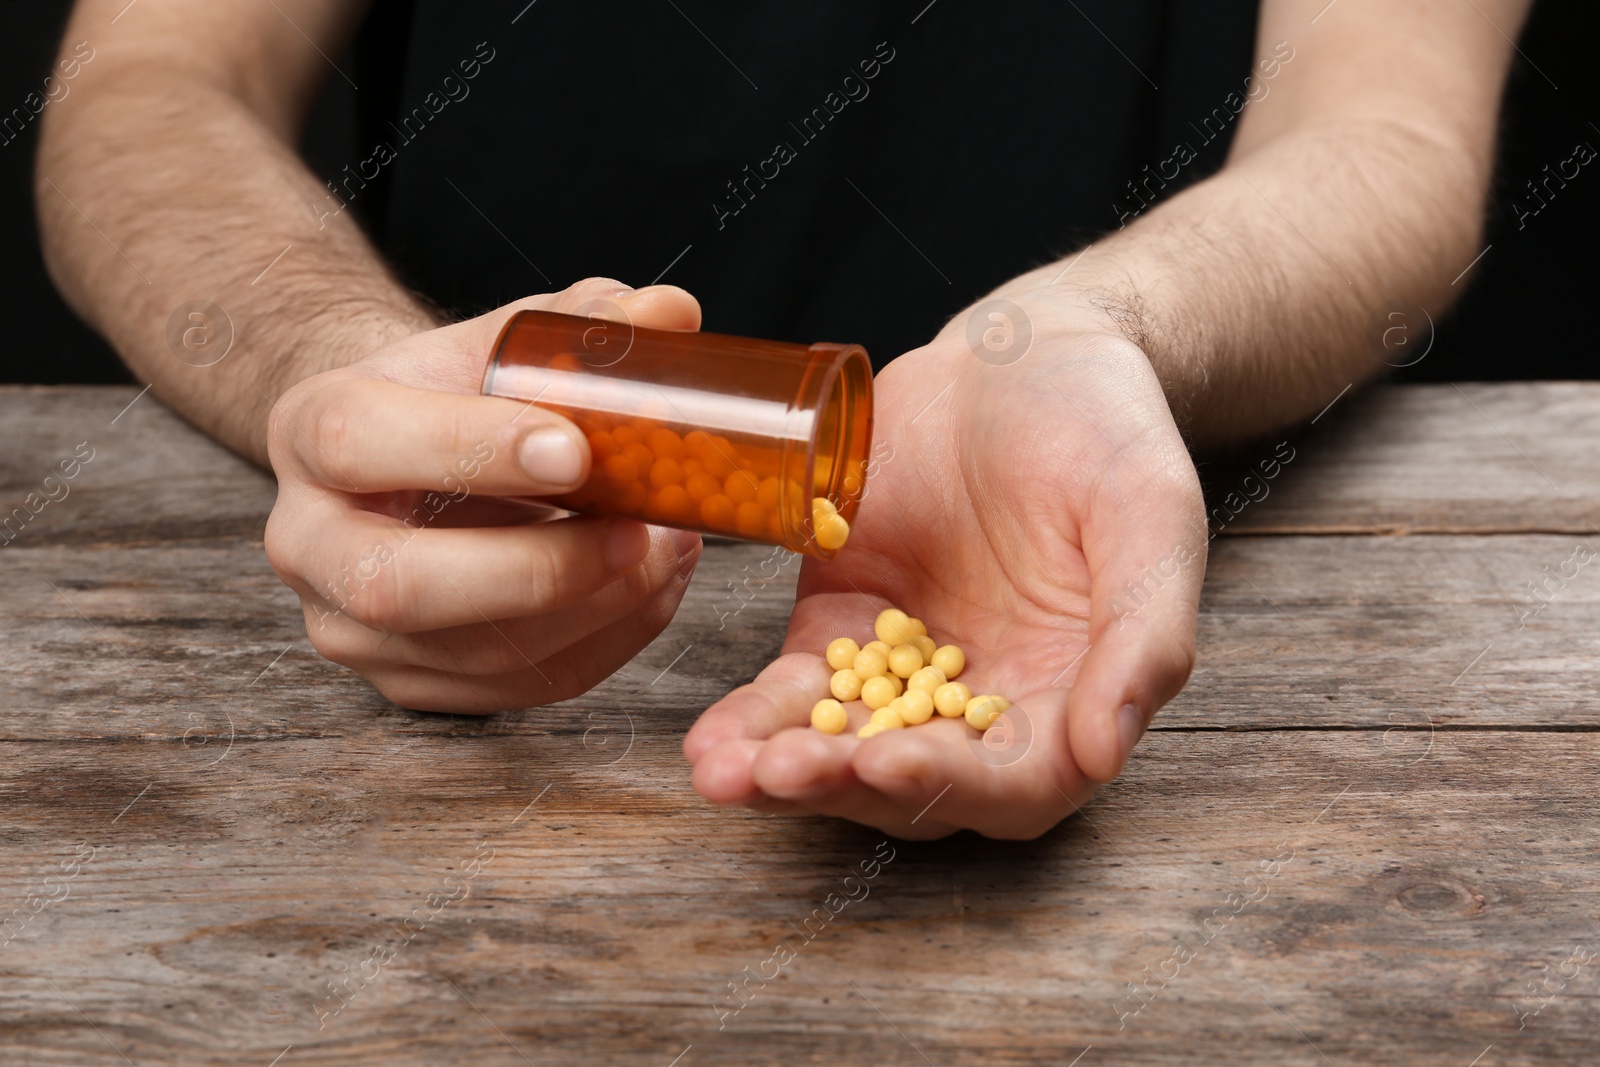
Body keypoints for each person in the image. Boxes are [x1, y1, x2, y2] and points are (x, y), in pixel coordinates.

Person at [36, 0, 1531, 839]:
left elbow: (1386, 123)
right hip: (501, 617)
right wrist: (361, 382)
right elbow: (148, 86)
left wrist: (1089, 328)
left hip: (1019, 513)